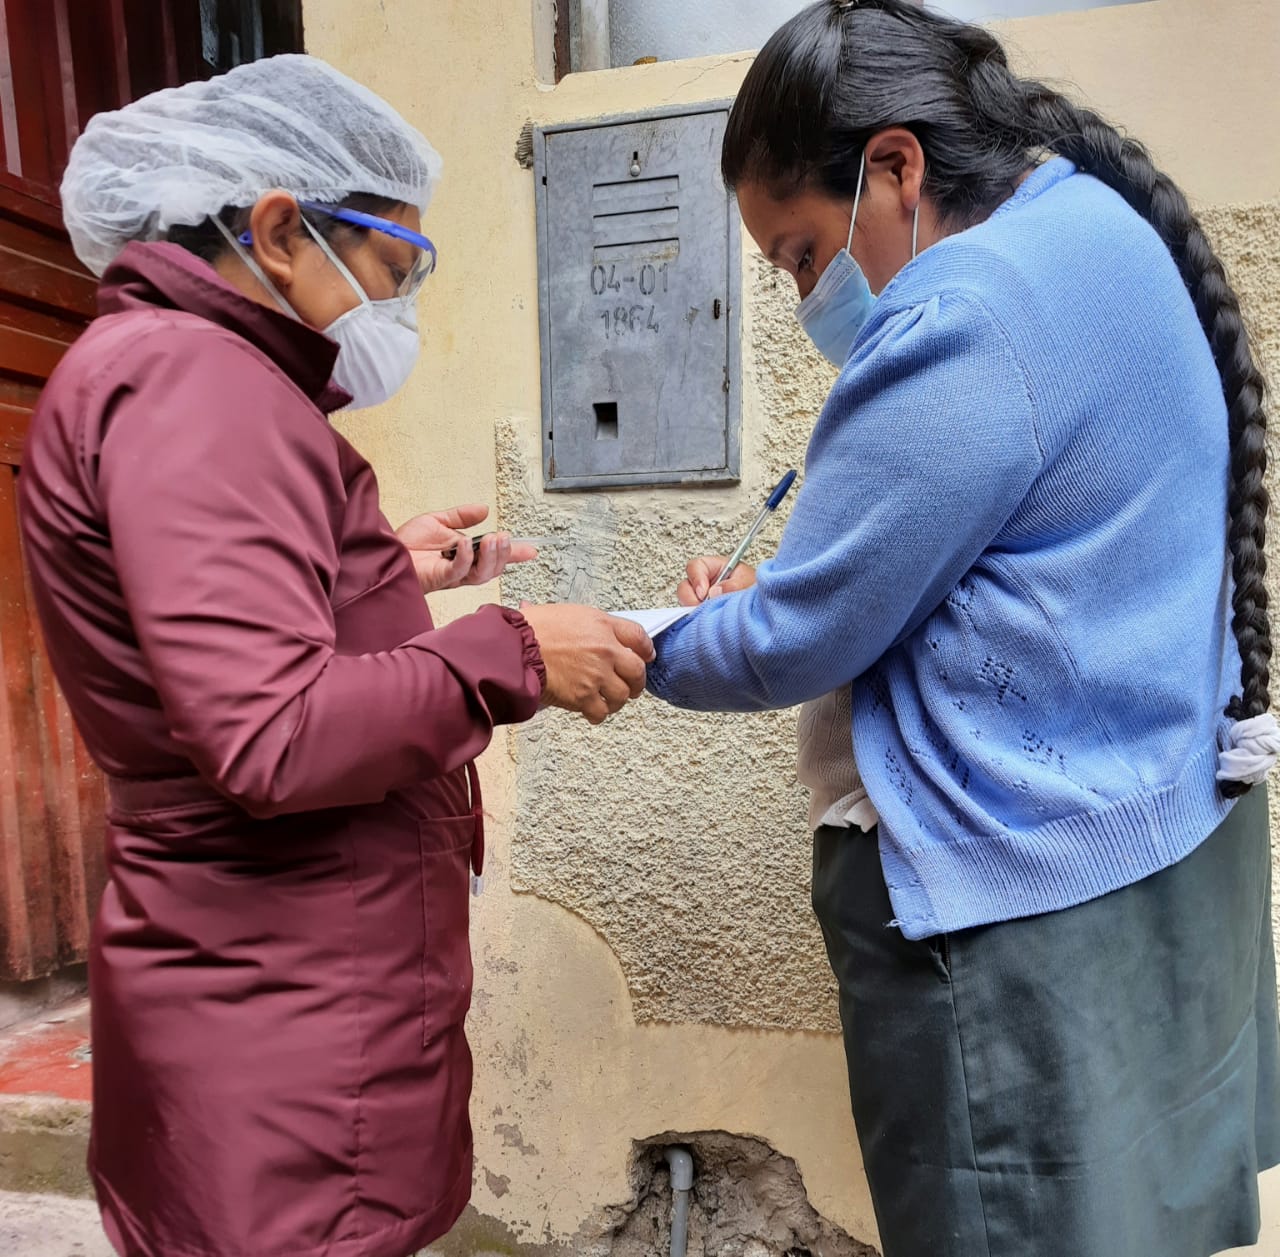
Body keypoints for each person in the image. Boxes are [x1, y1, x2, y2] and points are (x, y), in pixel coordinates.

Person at [647, 3, 1280, 1255]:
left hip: (1009, 913)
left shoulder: (963, 316)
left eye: (798, 251)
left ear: (894, 167)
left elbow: (797, 640)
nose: (804, 293)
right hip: (1155, 846)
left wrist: (630, 642)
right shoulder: (1094, 223)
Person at [20, 55, 653, 1257]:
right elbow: (270, 734)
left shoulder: (171, 374)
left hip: (262, 994)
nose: (400, 305)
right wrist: (508, 653)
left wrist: (374, 572)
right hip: (284, 1021)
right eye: (392, 265)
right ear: (276, 228)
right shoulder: (191, 383)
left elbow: (203, 634)